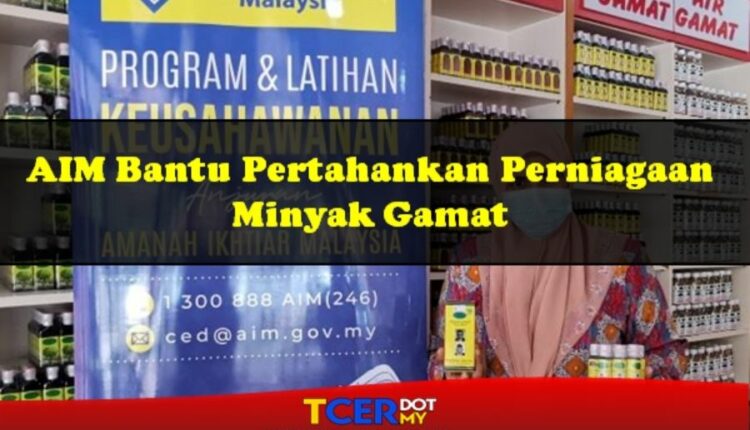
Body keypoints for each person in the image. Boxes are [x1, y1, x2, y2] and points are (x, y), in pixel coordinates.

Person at [429, 124, 686, 380]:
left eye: (546, 176)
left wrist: (642, 376)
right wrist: (454, 373)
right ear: (500, 188)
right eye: (519, 182)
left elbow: (669, 355)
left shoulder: (623, 261)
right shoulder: (469, 265)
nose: (536, 193)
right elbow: (438, 359)